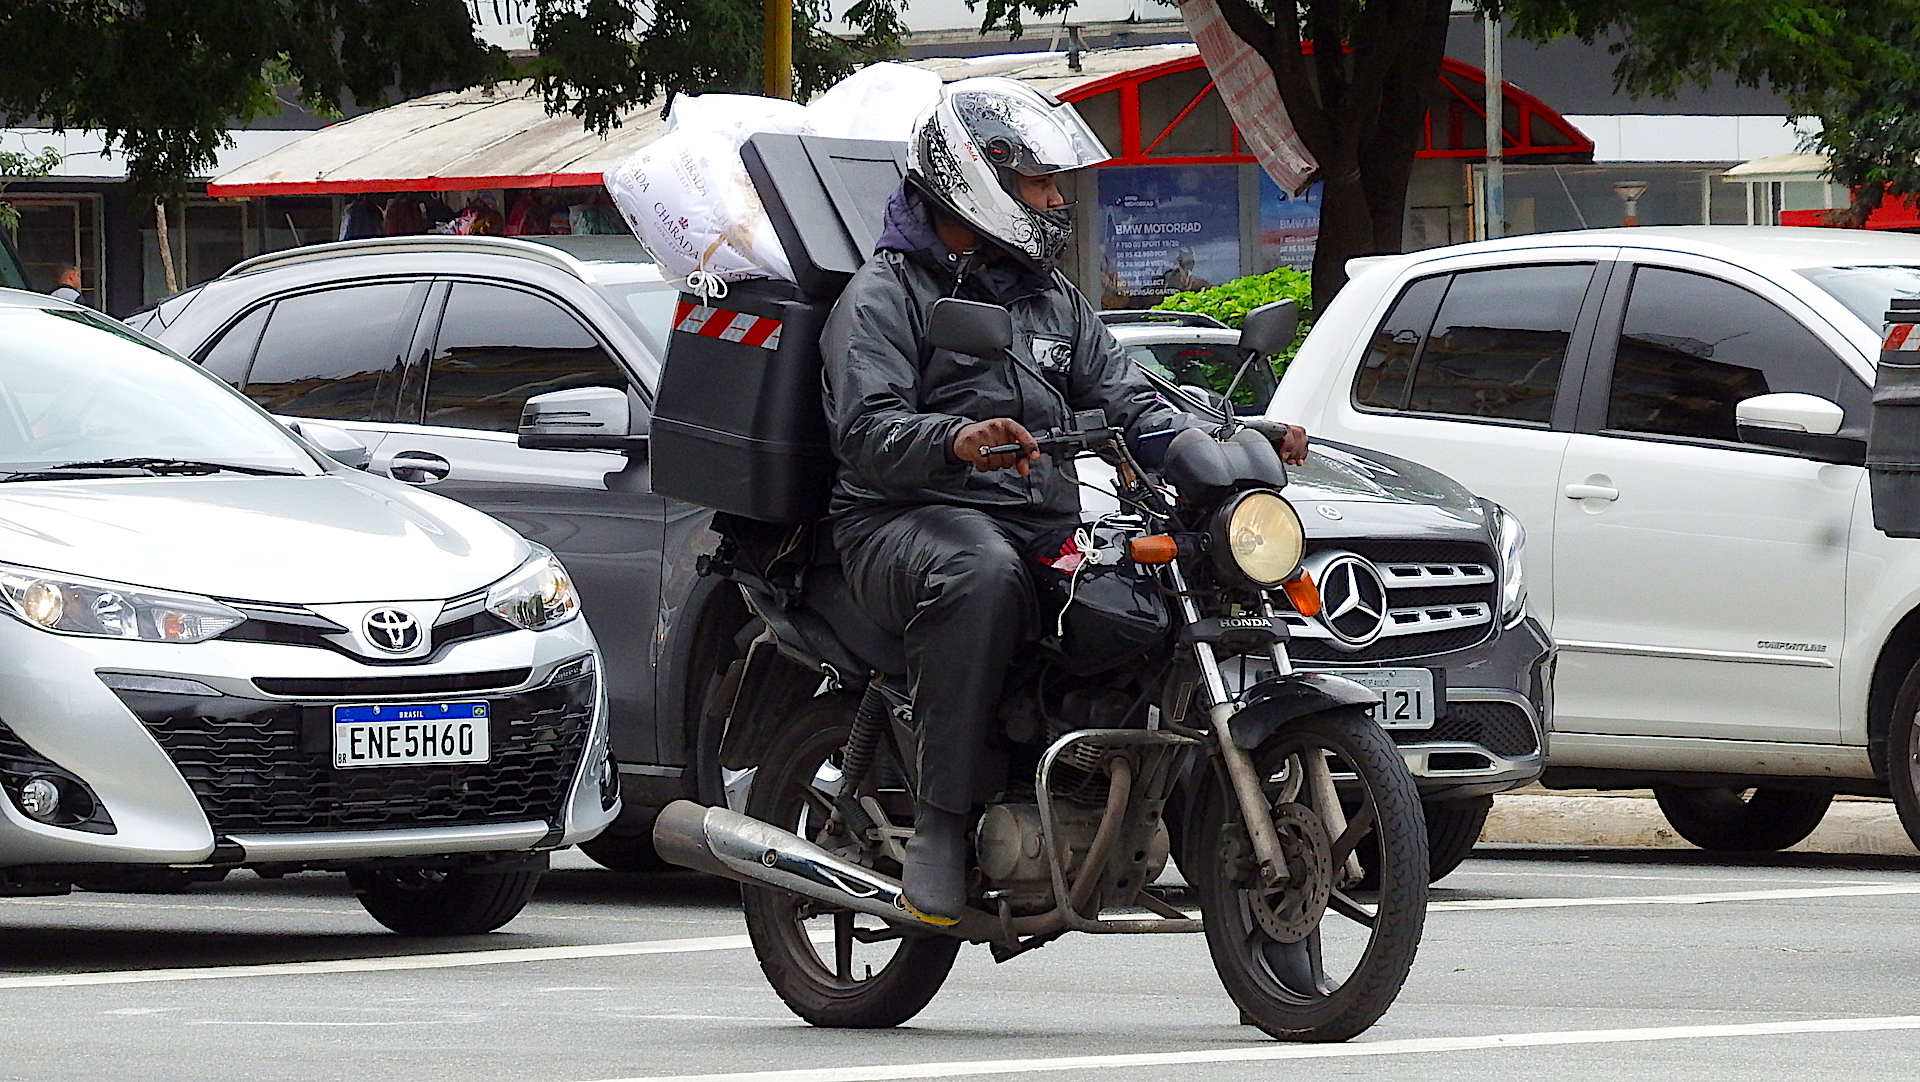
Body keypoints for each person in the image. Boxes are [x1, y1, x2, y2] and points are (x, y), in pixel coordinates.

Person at [818, 77, 1309, 918]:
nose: (1054, 201)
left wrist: (1233, 444)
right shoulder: (886, 295)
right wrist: (952, 439)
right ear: (978, 178)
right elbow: (865, 431)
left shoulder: (1051, 297)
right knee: (981, 573)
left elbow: (1128, 395)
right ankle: (940, 823)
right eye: (1040, 184)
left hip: (1034, 517)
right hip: (898, 520)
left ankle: (1102, 773)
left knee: (1137, 594)